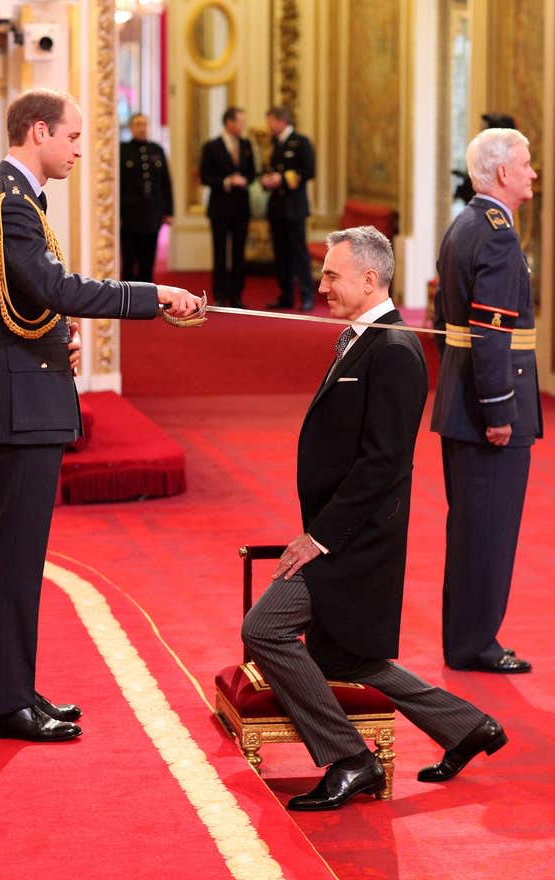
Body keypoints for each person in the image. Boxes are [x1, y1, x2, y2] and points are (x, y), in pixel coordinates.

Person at [242, 227, 507, 811]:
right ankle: (467, 726)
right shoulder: (365, 339)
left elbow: (383, 464)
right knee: (346, 658)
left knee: (263, 629)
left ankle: (350, 759)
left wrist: (317, 539)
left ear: (370, 279)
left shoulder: (393, 351)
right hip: (343, 531)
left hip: (355, 541)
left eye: (333, 275)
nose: (322, 284)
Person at [0, 88, 202, 743]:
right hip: (22, 400)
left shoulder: (19, 202)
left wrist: (55, 334)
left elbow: (34, 300)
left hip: (30, 390)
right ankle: (6, 702)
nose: (77, 149)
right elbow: (57, 288)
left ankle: (14, 690)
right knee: (12, 558)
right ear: (38, 131)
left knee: (19, 556)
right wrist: (154, 295)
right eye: (70, 137)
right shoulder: (8, 204)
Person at [432, 128, 541, 673]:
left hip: (461, 399)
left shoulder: (466, 223)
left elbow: (440, 316)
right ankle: (475, 644)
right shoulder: (497, 234)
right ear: (502, 173)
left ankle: (466, 638)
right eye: (525, 164)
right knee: (488, 531)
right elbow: (492, 333)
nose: (532, 173)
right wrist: (500, 410)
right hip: (488, 409)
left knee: (473, 526)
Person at [199, 106, 256, 307]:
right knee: (220, 250)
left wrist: (244, 179)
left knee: (239, 252)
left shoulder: (246, 144)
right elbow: (205, 176)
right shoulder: (211, 146)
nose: (243, 125)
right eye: (240, 121)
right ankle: (220, 293)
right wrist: (226, 181)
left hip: (241, 207)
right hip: (220, 207)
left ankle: (237, 294)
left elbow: (252, 173)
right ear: (229, 123)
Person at [261, 106, 315, 311]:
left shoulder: (301, 142)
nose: (268, 126)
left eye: (270, 121)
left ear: (281, 121)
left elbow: (309, 171)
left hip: (294, 207)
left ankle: (306, 294)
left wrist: (281, 179)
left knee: (299, 252)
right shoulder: (273, 144)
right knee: (280, 253)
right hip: (277, 207)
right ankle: (286, 295)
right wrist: (267, 180)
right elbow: (267, 168)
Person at [119, 112, 173, 282]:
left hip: (152, 215)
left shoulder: (157, 150)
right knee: (128, 261)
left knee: (148, 261)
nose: (142, 128)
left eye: (144, 124)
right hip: (129, 215)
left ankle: (146, 299)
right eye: (138, 125)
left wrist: (169, 211)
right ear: (131, 128)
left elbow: (166, 182)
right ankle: (127, 301)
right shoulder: (122, 150)